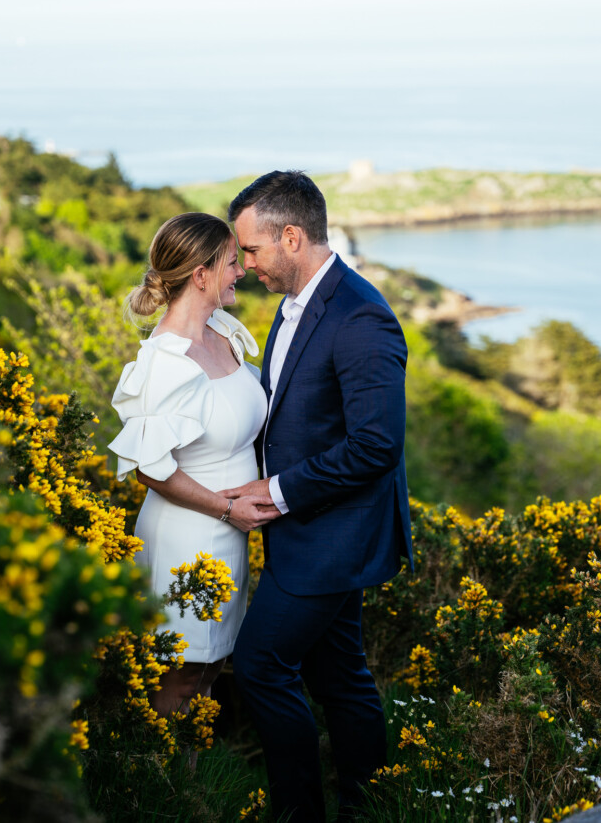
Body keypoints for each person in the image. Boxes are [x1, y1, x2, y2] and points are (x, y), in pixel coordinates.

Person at [222, 171, 413, 822]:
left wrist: (276, 493)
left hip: (332, 537)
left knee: (260, 666)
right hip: (308, 530)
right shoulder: (297, 300)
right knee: (339, 675)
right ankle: (371, 801)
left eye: (250, 250)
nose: (244, 266)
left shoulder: (362, 318)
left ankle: (299, 813)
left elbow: (376, 446)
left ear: (292, 237)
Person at [108, 212, 278, 715]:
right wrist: (228, 511)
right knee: (178, 678)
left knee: (207, 672)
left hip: (230, 533)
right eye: (231, 262)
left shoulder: (222, 330)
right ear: (200, 275)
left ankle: (189, 780)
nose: (241, 271)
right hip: (188, 535)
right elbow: (150, 468)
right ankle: (160, 789)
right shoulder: (165, 363)